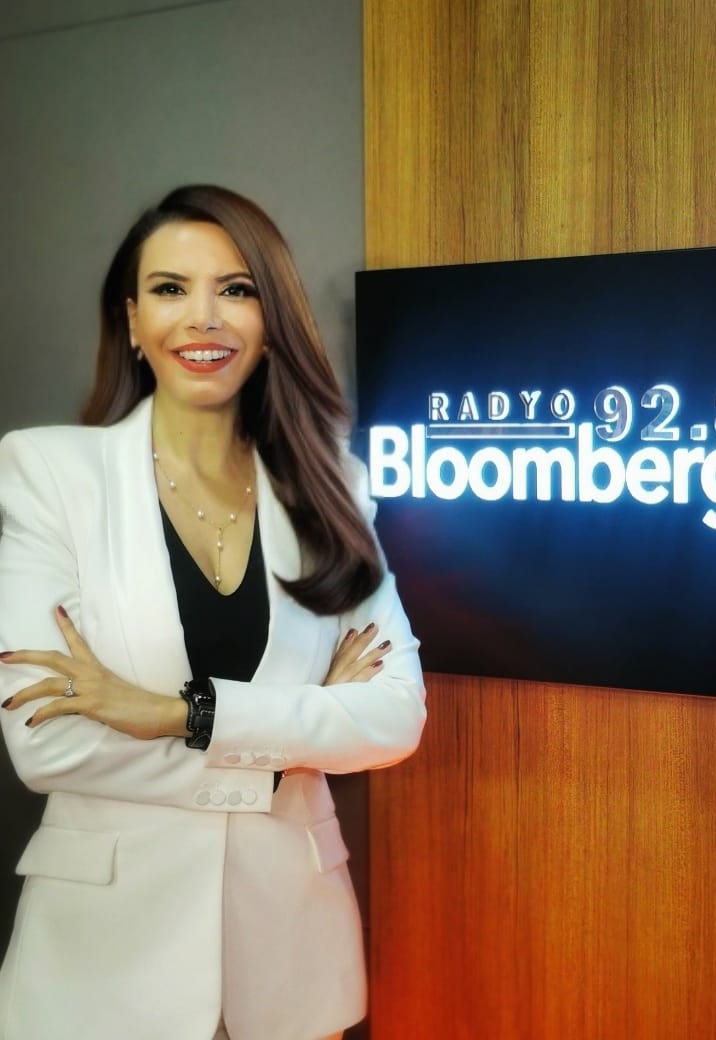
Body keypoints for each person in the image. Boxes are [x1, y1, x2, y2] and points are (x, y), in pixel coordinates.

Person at [0, 185, 426, 1040]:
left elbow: (393, 717)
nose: (203, 317)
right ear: (131, 320)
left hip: (294, 968)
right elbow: (48, 744)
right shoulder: (51, 475)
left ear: (270, 321)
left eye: (236, 289)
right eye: (170, 289)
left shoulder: (332, 487)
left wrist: (175, 713)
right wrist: (291, 745)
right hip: (99, 972)